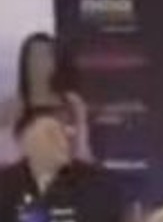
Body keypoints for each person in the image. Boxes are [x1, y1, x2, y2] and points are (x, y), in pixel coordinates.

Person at [0, 108, 124, 222]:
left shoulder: (98, 182)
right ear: (24, 144)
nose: (63, 140)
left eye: (64, 133)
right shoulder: (5, 183)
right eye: (51, 134)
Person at [0, 33, 93, 162]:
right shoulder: (11, 106)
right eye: (33, 56)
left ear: (55, 62)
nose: (38, 62)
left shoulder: (72, 104)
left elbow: (82, 153)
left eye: (45, 56)